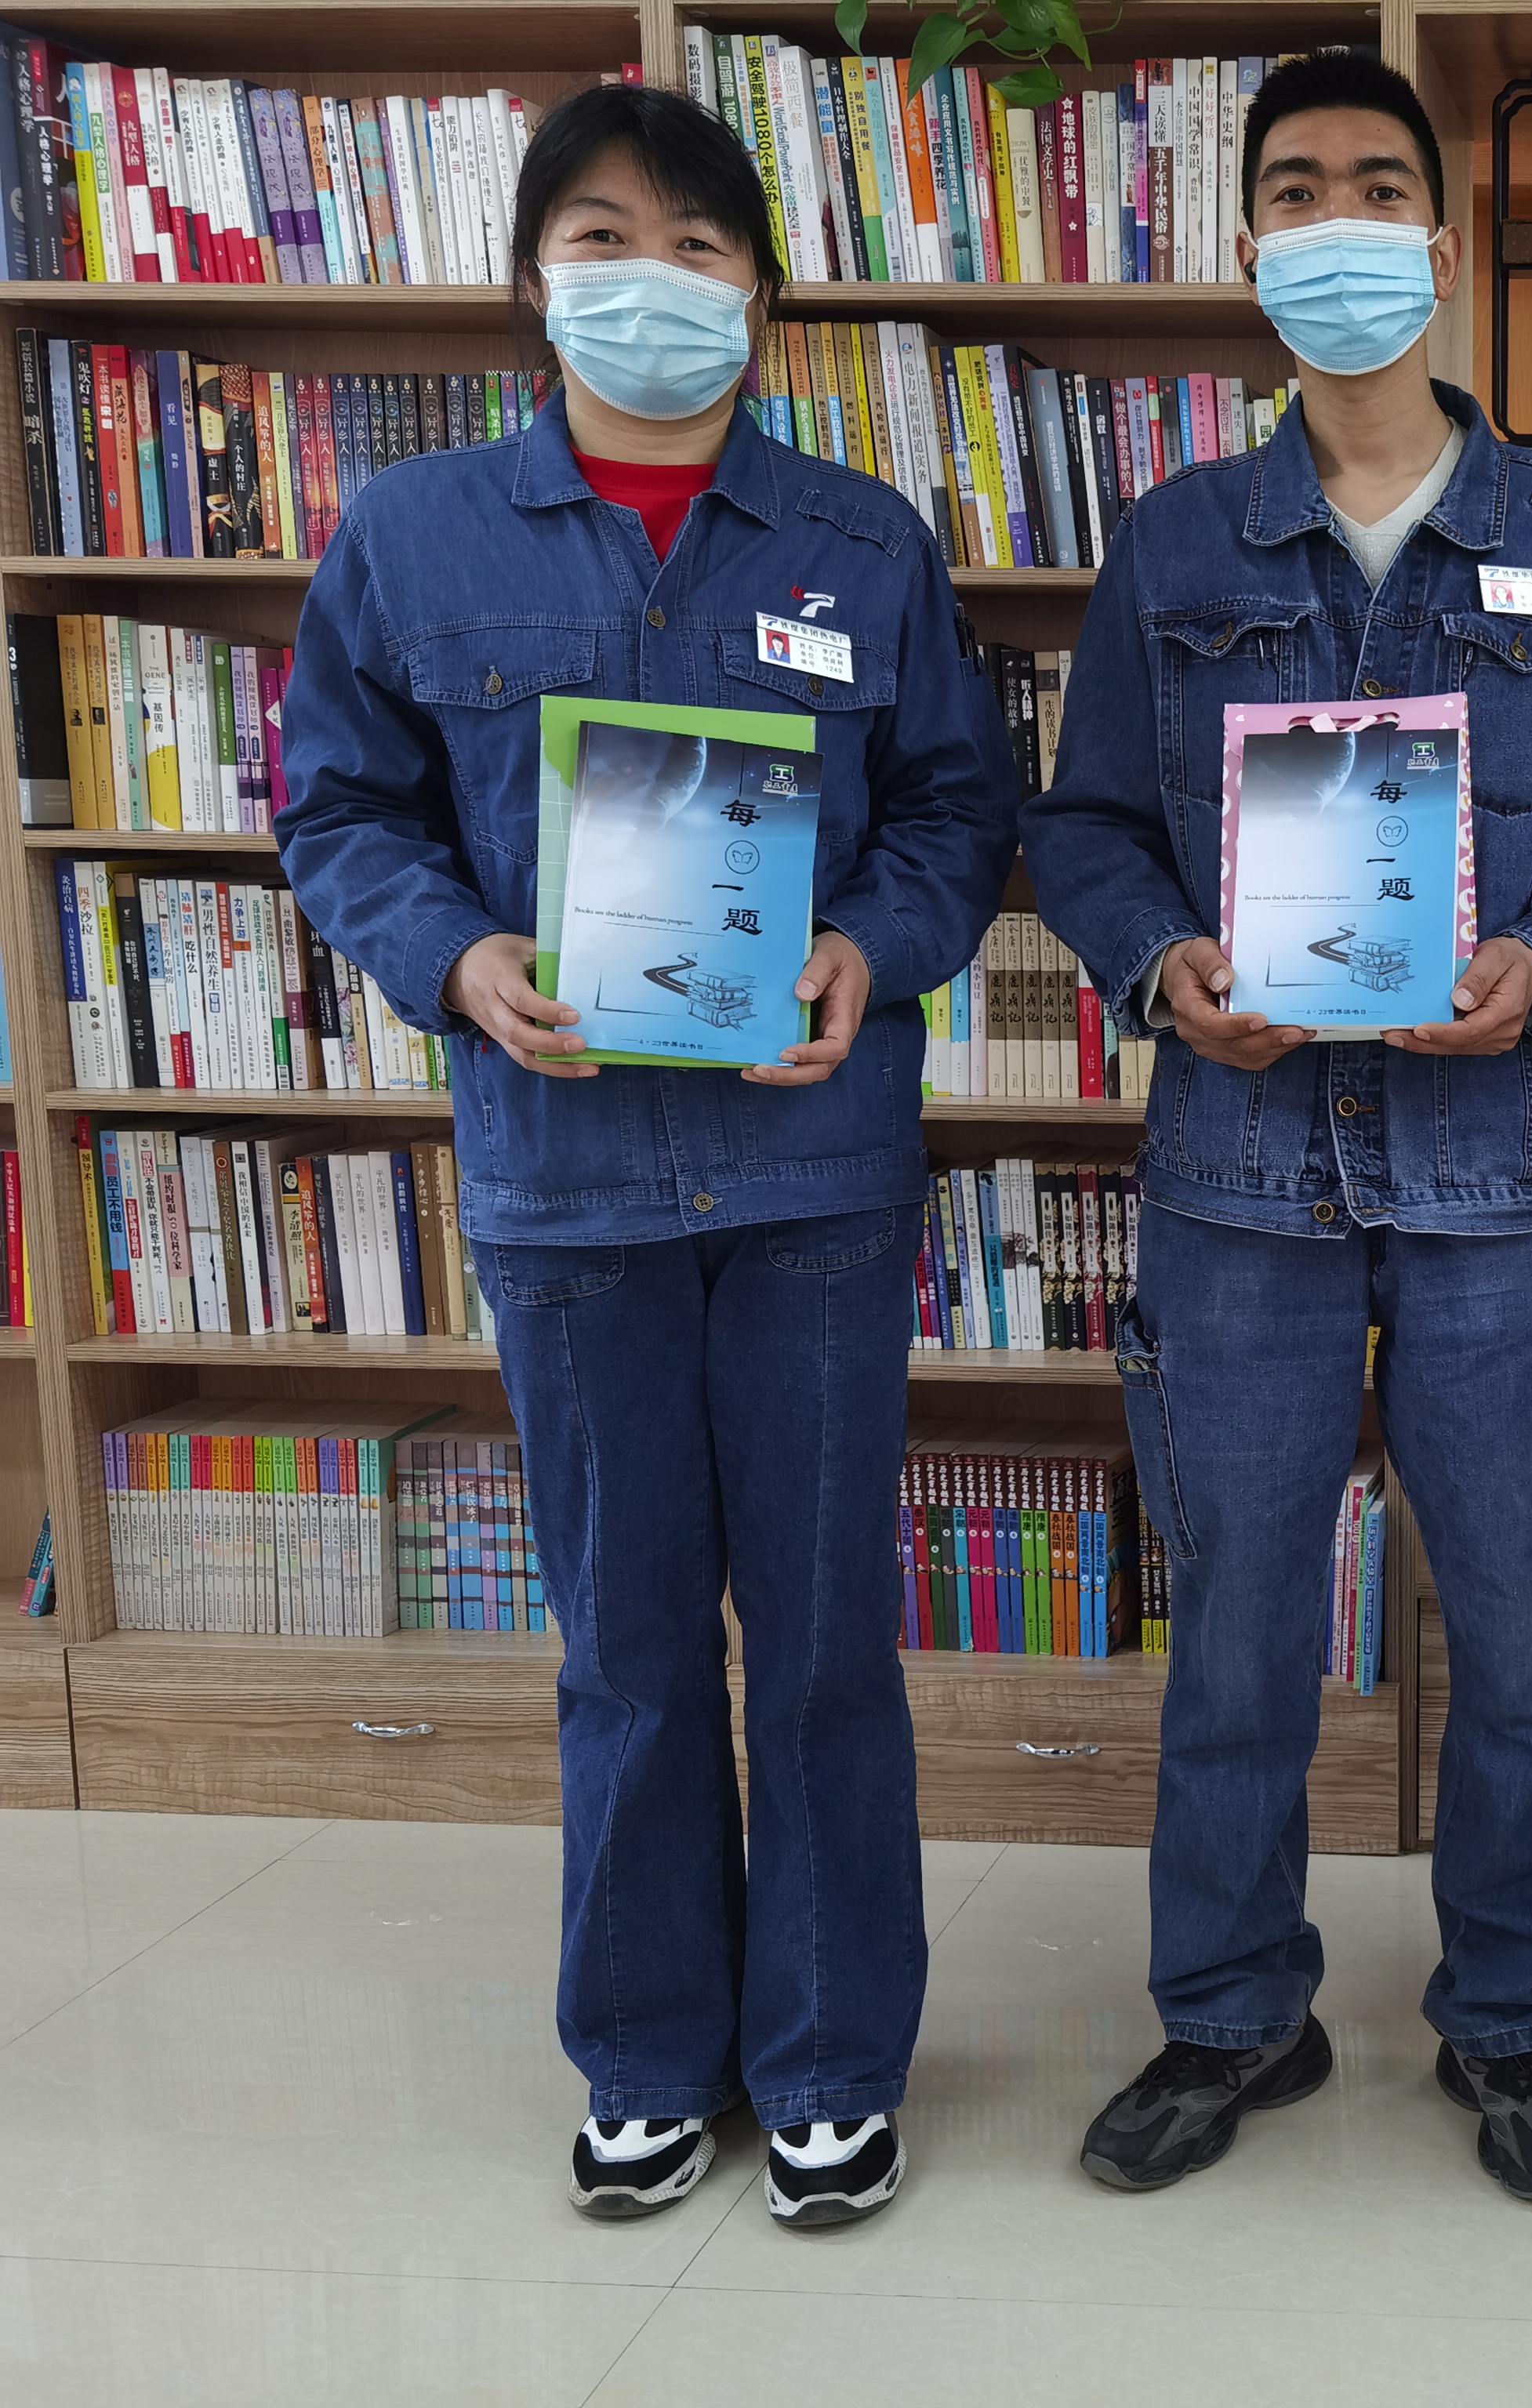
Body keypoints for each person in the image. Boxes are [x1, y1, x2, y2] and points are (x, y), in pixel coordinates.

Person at [275, 85, 1017, 2229]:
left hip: (813, 1181)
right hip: (566, 1178)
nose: (652, 282)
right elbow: (337, 807)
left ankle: (829, 2061)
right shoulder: (414, 534)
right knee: (621, 1643)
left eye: (699, 245)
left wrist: (871, 951)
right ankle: (646, 2055)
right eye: (602, 237)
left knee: (823, 1641)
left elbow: (955, 814)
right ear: (532, 276)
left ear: (762, 290)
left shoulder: (863, 539)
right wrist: (454, 956)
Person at [1024, 47, 1532, 2205]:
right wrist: (1160, 964)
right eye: (1297, 189)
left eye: (1377, 187)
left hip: (1497, 1175)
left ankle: (1511, 2016)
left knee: (1519, 1632)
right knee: (1235, 1628)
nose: (1340, 225)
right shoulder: (1175, 540)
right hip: (1240, 1181)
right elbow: (1086, 826)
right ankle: (1233, 2010)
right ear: (1249, 246)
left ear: (1441, 234)